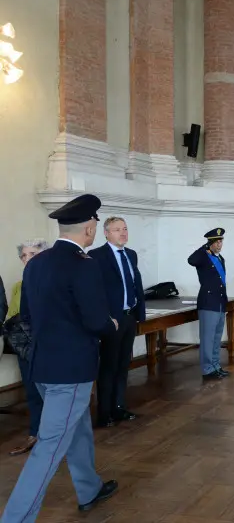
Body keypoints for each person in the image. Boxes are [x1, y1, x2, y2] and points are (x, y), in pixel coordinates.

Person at [1, 194, 119, 522]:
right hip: (70, 371)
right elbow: (96, 320)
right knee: (49, 448)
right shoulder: (83, 264)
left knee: (77, 427)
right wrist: (110, 324)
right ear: (90, 228)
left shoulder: (37, 263)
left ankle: (88, 488)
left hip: (43, 366)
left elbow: (26, 315)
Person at [88, 217, 145, 428]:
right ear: (106, 233)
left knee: (123, 365)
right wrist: (105, 317)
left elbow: (135, 284)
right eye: (117, 230)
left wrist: (139, 315)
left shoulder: (131, 254)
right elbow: (95, 291)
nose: (123, 233)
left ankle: (119, 407)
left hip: (129, 317)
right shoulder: (96, 256)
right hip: (112, 320)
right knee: (108, 366)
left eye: (125, 229)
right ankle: (105, 413)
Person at [3, 239, 48, 457]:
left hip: (48, 345)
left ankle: (54, 437)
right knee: (32, 391)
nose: (28, 258)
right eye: (24, 255)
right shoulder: (18, 287)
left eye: (33, 253)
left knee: (51, 393)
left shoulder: (51, 282)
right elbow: (11, 317)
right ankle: (34, 434)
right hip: (25, 347)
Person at [187, 228, 230, 380]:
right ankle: (207, 369)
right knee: (207, 337)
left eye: (221, 241)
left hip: (219, 302)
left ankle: (216, 366)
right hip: (208, 302)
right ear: (210, 243)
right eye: (217, 242)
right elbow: (191, 260)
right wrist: (204, 247)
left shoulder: (220, 258)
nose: (220, 245)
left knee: (217, 336)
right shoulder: (204, 257)